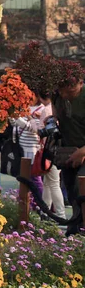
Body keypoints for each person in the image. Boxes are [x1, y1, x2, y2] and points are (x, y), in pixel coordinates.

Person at [52, 74, 85, 224]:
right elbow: (55, 111)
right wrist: (53, 118)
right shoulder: (57, 96)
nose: (65, 95)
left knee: (81, 189)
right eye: (62, 91)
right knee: (71, 189)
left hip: (82, 151)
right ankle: (77, 224)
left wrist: (82, 151)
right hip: (67, 151)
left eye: (70, 92)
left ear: (80, 83)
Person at [38, 91, 66, 220]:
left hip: (50, 150)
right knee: (49, 183)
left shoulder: (47, 111)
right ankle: (45, 211)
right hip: (57, 150)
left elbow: (41, 132)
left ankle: (60, 214)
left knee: (53, 183)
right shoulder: (61, 111)